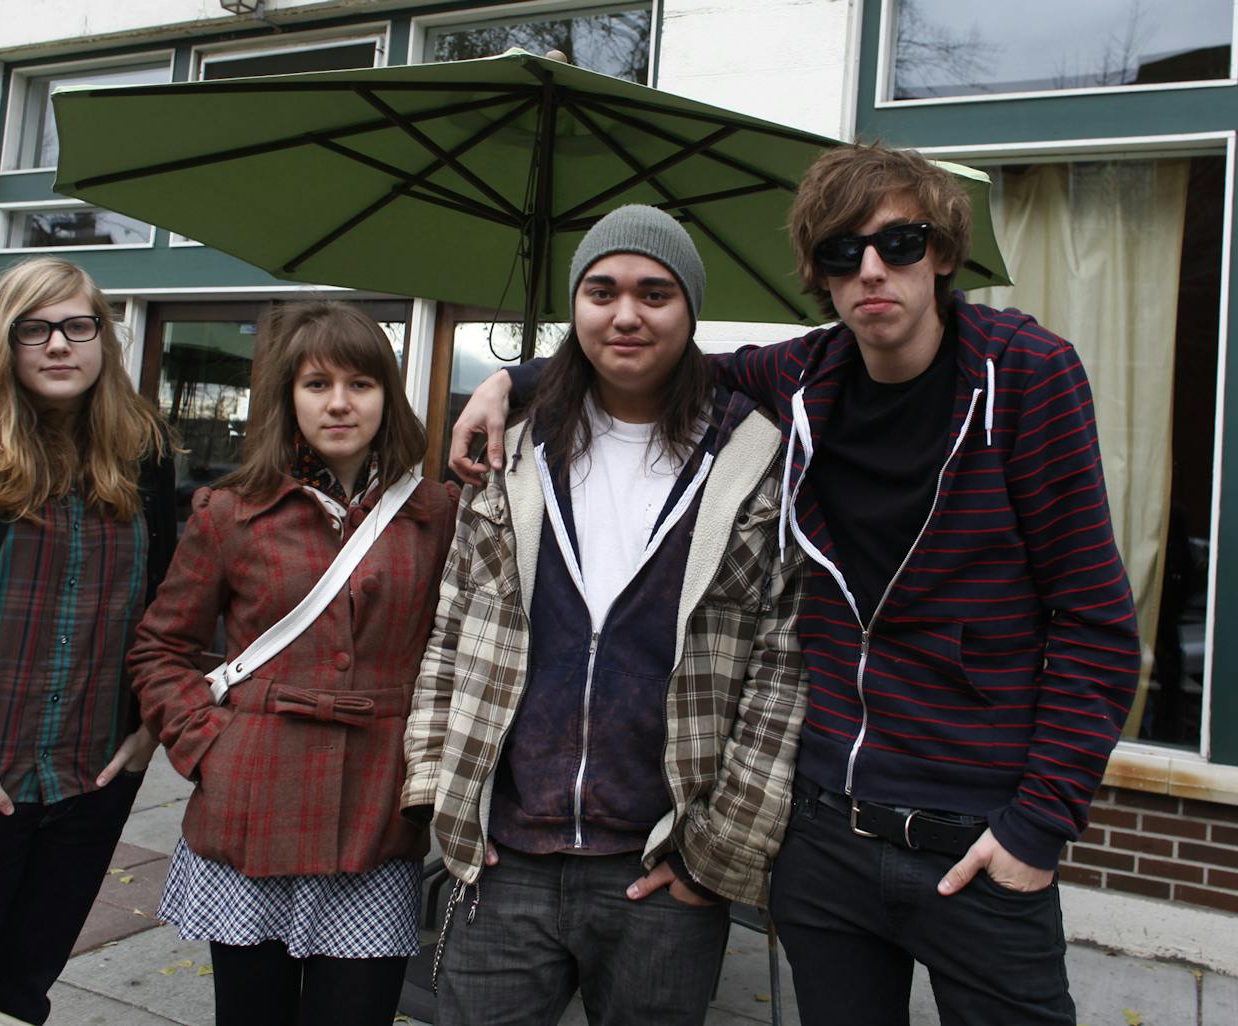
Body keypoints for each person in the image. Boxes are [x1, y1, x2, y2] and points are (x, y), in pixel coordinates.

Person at [452, 145, 1143, 1025]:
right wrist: (510, 382)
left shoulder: (1027, 379)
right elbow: (661, 365)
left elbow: (1093, 623)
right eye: (843, 253)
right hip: (825, 841)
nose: (873, 270)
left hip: (976, 836)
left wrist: (1038, 826)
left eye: (900, 241)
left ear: (942, 252)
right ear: (819, 273)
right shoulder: (806, 378)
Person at [403, 204, 808, 1026]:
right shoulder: (512, 445)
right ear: (575, 307)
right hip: (501, 857)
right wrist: (439, 795)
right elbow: (453, 626)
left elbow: (782, 667)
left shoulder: (755, 454)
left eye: (655, 293)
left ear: (690, 309)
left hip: (661, 865)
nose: (625, 314)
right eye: (602, 290)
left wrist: (717, 855)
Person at [127, 302, 458, 1026]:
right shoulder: (231, 510)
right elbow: (160, 647)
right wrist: (209, 747)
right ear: (288, 397)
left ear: (387, 396)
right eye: (317, 384)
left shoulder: (435, 514)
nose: (339, 402)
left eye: (361, 383)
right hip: (251, 807)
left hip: (377, 818)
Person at [0, 257, 177, 1024]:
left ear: (102, 339)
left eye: (77, 326)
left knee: (20, 996)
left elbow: (170, 606)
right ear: (5, 341)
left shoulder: (142, 449)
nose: (58, 345)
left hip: (89, 782)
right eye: (35, 329)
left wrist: (148, 730)